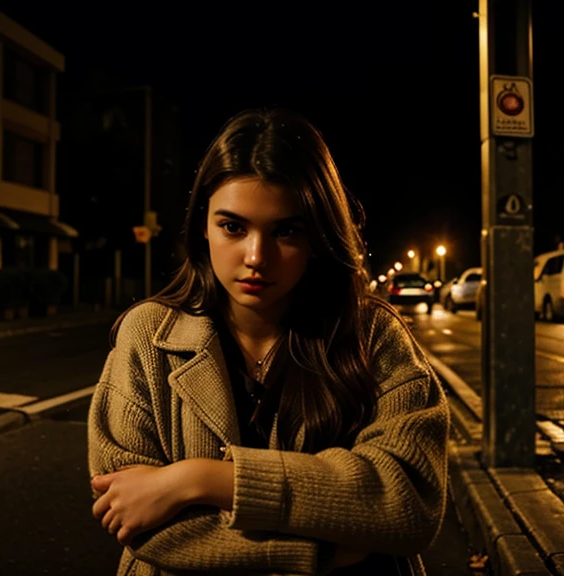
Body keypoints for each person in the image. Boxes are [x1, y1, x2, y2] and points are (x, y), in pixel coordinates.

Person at [87, 108, 449, 576]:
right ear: (203, 225)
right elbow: (133, 519)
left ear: (318, 236)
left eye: (286, 231)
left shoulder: (372, 336)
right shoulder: (148, 336)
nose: (257, 257)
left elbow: (408, 502)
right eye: (233, 227)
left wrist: (200, 479)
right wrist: (324, 551)